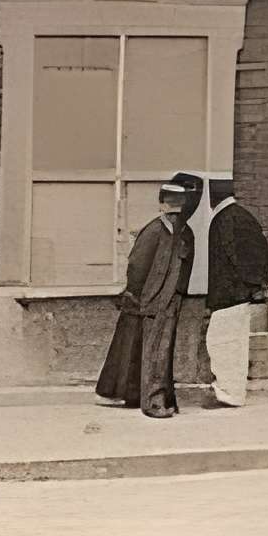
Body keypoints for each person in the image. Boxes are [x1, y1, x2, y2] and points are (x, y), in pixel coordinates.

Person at [96, 176, 200, 417]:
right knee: (155, 351)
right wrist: (137, 296)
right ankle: (154, 404)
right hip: (152, 301)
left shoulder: (183, 232)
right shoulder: (156, 231)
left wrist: (177, 295)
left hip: (167, 301)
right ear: (164, 205)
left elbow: (180, 269)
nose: (174, 210)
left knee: (153, 350)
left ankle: (143, 397)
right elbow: (137, 267)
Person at [183, 173, 268, 411]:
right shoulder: (238, 217)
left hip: (230, 295)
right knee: (226, 343)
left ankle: (229, 394)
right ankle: (228, 391)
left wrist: (247, 286)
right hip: (234, 295)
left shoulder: (226, 219)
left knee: (225, 344)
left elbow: (246, 258)